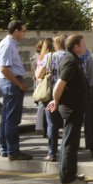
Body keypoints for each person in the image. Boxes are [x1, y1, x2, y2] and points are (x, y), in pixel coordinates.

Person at [47, 34, 88, 184]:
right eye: (83, 44)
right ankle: (68, 177)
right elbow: (59, 85)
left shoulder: (72, 58)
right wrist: (56, 101)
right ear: (76, 46)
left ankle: (70, 173)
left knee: (70, 141)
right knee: (70, 143)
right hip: (71, 107)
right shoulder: (70, 60)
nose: (85, 46)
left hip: (74, 106)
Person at [0, 20, 31, 161]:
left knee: (6, 118)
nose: (25, 33)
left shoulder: (8, 44)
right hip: (11, 83)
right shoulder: (8, 45)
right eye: (23, 30)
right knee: (12, 119)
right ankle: (13, 151)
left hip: (9, 83)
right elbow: (4, 69)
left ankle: (4, 148)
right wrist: (19, 84)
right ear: (16, 31)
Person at [38, 34, 67, 162]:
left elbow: (39, 74)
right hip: (68, 93)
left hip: (51, 94)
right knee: (68, 124)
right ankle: (68, 152)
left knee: (52, 124)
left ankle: (52, 153)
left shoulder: (49, 57)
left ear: (55, 45)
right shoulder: (71, 56)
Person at [33, 38, 53, 135]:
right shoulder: (48, 56)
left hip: (41, 83)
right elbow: (40, 72)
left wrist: (38, 79)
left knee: (42, 105)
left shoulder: (40, 56)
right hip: (47, 83)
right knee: (46, 106)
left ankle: (42, 128)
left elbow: (37, 73)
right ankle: (44, 129)